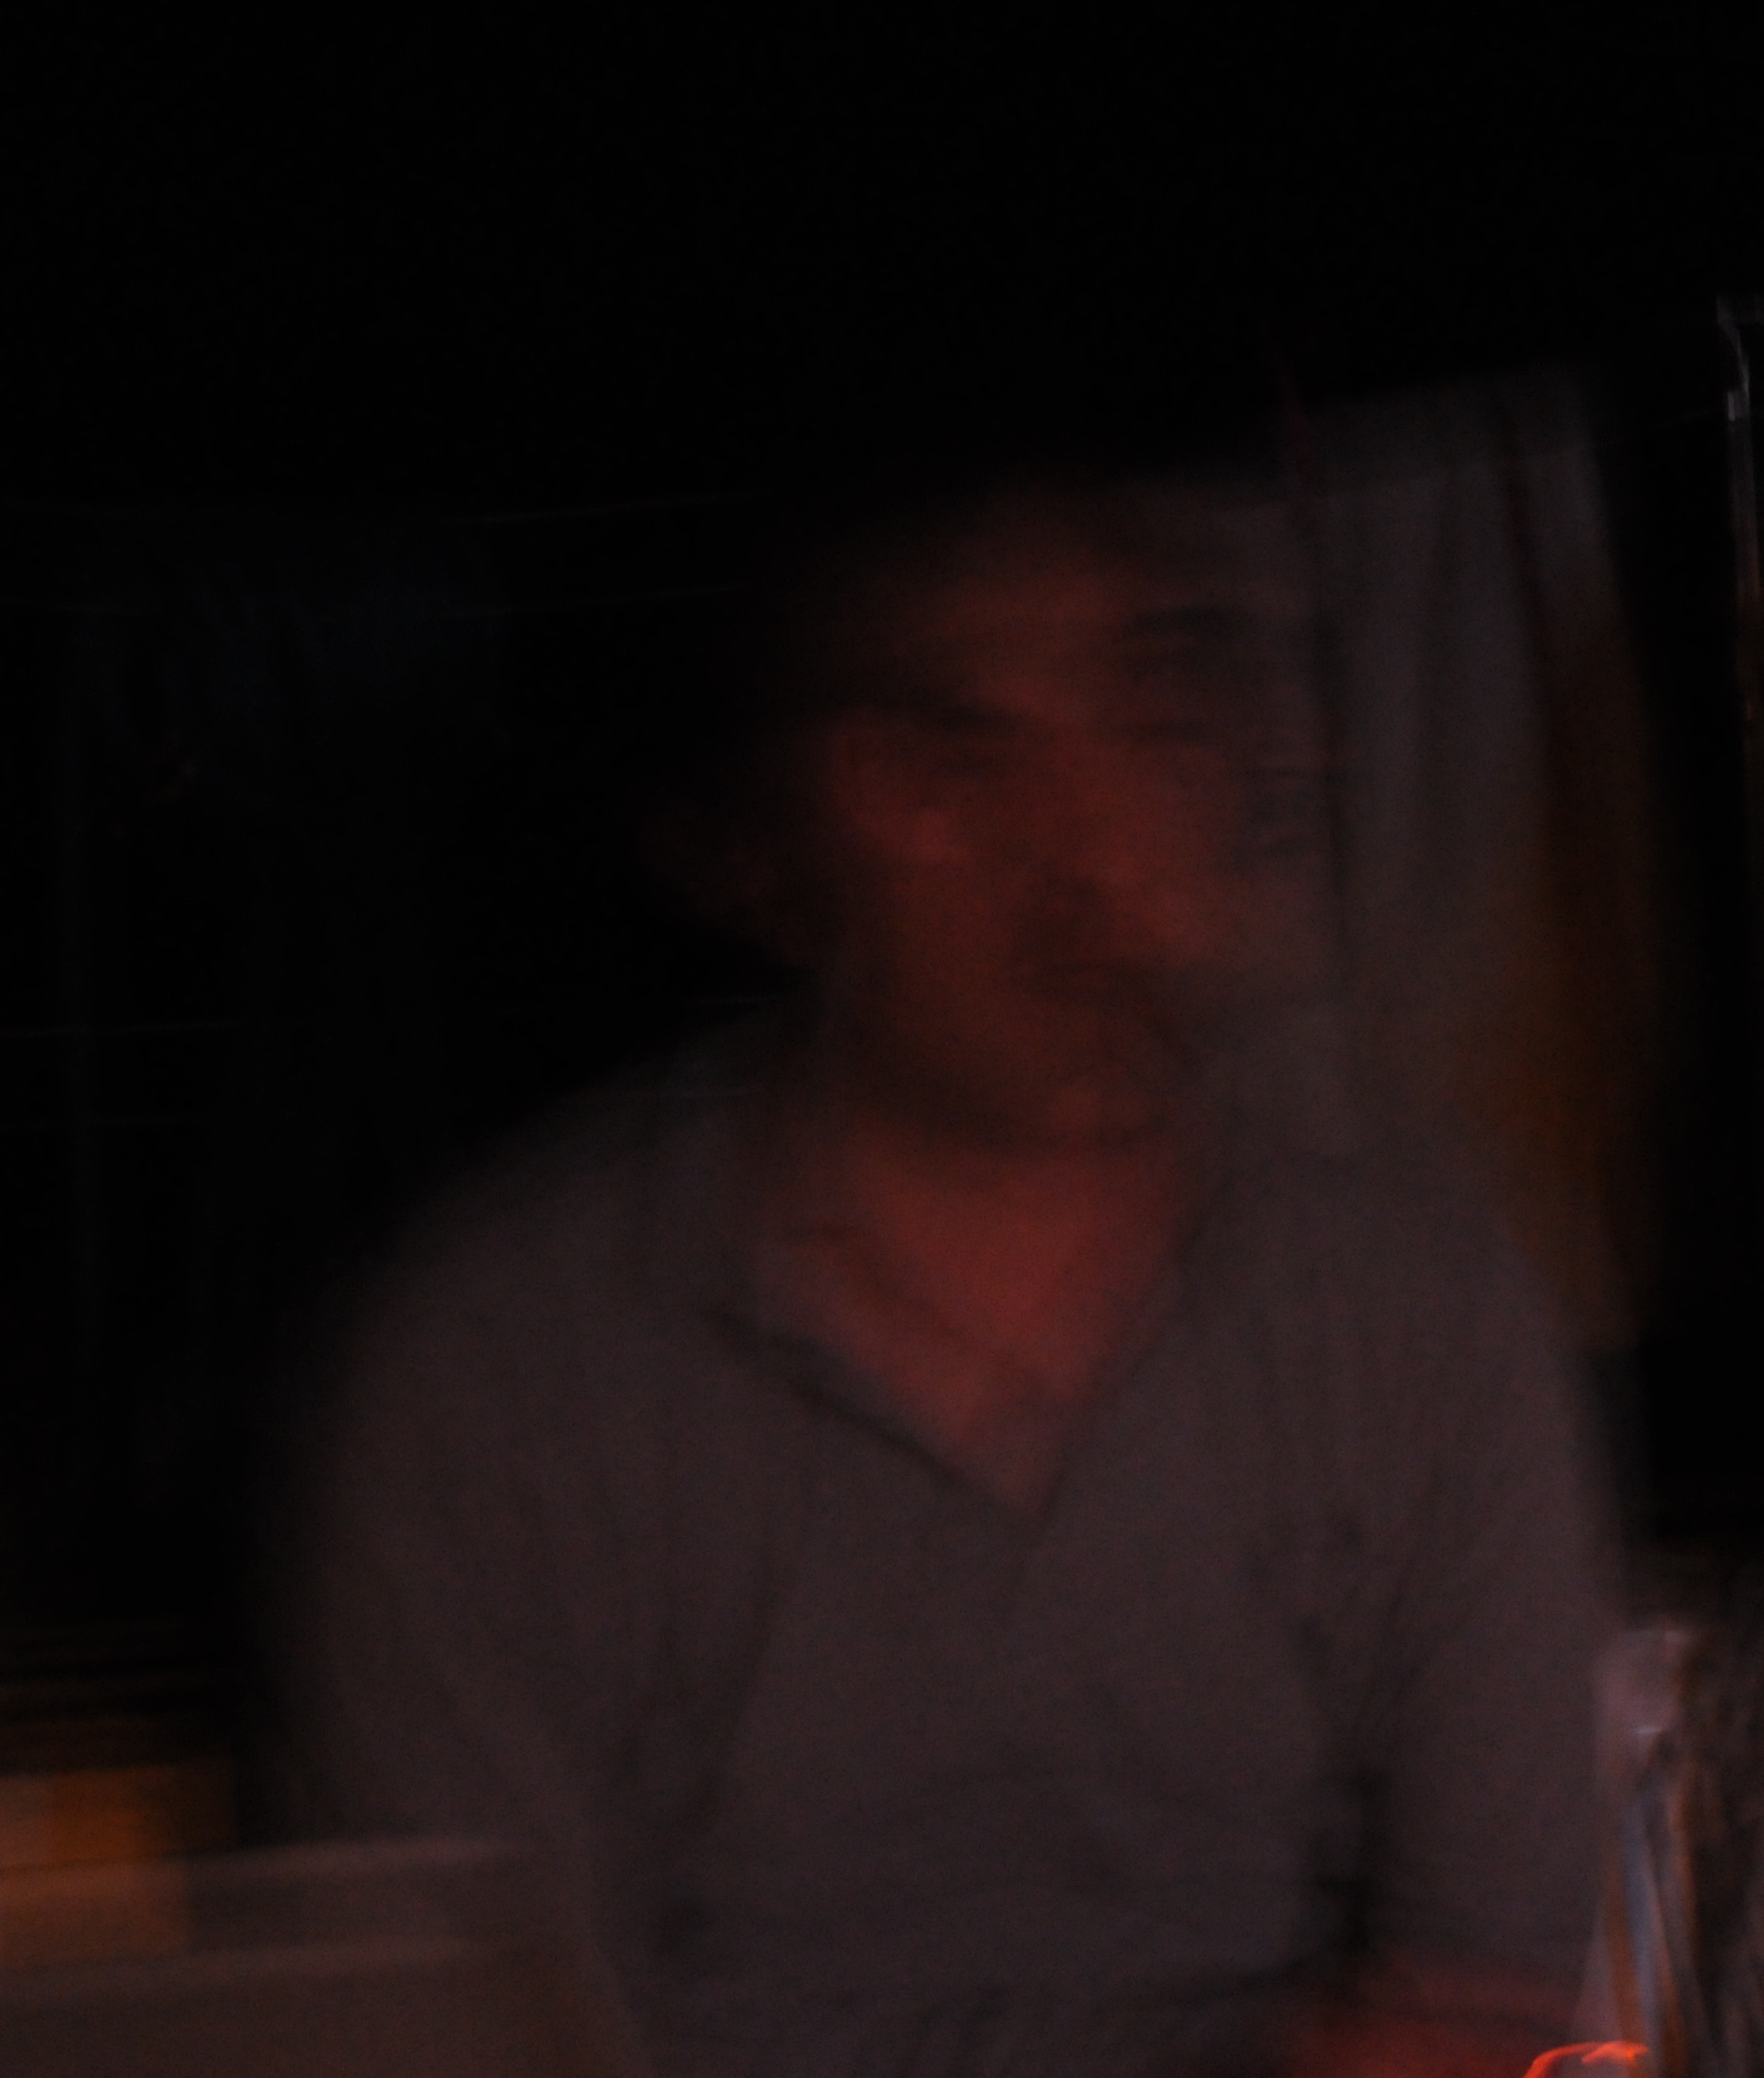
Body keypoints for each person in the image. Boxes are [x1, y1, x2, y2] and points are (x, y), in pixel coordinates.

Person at [281, 470, 1618, 2076]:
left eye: (1151, 708)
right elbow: (459, 2037)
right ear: (755, 842)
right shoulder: (500, 1373)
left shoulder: (1417, 1313)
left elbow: (1482, 1995)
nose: (1085, 840)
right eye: (949, 757)